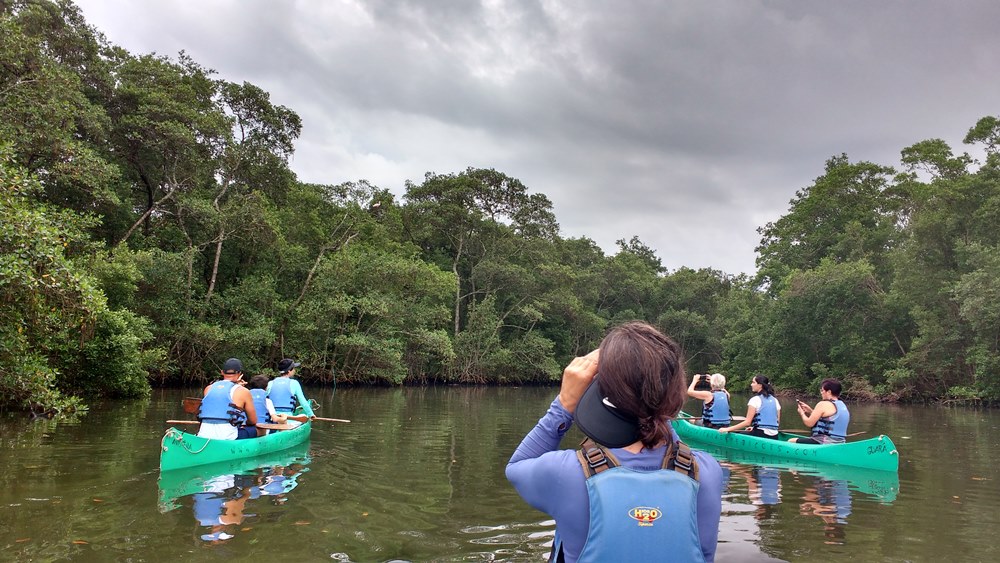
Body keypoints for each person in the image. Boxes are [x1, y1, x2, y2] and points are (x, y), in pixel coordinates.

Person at [506, 321, 723, 562]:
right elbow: (671, 447)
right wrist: (657, 397)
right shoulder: (707, 470)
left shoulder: (565, 472)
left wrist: (564, 403)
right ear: (675, 392)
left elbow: (517, 467)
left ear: (600, 387)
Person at [198, 357, 257, 440]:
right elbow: (253, 420)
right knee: (255, 429)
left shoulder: (208, 388)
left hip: (203, 435)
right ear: (240, 374)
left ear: (222, 372)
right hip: (229, 438)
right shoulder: (244, 391)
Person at [789, 378, 851, 444]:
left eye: (822, 390)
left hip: (823, 441)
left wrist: (802, 413)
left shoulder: (823, 404)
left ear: (829, 392)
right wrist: (810, 411)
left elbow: (809, 423)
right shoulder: (842, 405)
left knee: (791, 441)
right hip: (840, 442)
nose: (821, 393)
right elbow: (828, 419)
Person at [718, 375, 780, 439]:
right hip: (774, 435)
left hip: (761, 434)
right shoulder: (775, 400)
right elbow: (777, 421)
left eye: (753, 382)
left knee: (732, 434)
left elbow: (747, 422)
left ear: (760, 385)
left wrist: (728, 429)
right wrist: (754, 428)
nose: (751, 385)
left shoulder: (755, 399)